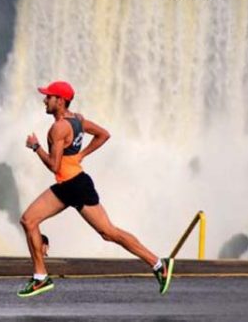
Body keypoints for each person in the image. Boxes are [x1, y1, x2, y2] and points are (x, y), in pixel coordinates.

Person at [16, 80, 173, 298]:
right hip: (71, 184)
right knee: (30, 220)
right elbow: (103, 134)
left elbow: (54, 165)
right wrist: (81, 154)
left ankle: (158, 264)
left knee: (108, 233)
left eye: (48, 97)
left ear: (60, 101)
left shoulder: (58, 128)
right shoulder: (77, 120)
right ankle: (40, 277)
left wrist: (36, 147)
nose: (44, 100)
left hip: (74, 186)